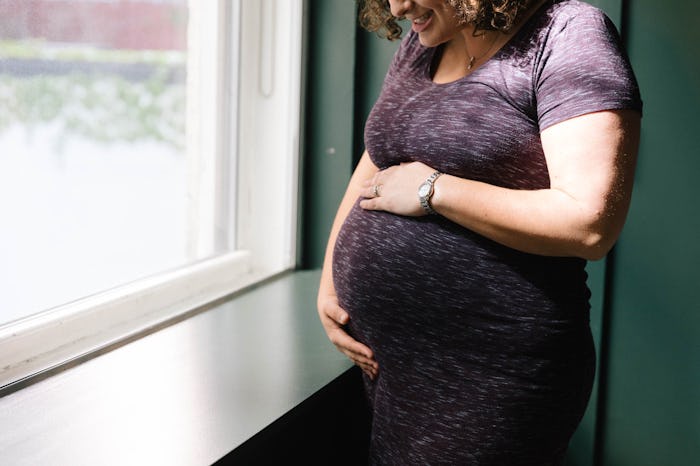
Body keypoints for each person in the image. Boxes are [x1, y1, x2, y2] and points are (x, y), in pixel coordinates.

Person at [316, 0, 642, 464]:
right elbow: (379, 157)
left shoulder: (566, 33)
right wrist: (330, 282)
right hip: (388, 366)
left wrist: (434, 190)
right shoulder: (425, 39)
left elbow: (589, 222)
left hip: (489, 368)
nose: (398, 7)